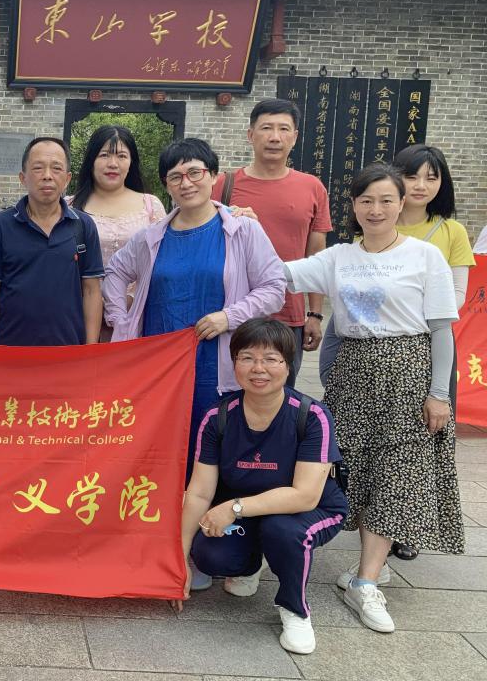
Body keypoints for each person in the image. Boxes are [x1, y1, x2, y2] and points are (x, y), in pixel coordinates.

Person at [285, 164, 462, 634]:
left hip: (410, 370)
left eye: (386, 200)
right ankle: (370, 567)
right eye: (366, 200)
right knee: (356, 468)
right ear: (354, 206)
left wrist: (438, 393)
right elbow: (279, 273)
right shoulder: (339, 257)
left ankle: (365, 582)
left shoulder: (425, 256)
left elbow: (442, 330)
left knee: (396, 472)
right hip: (354, 371)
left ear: (402, 203)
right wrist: (239, 224)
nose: (376, 209)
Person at [317, 144, 475, 561]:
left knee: (410, 449)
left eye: (431, 177)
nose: (421, 185)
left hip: (419, 352)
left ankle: (397, 531)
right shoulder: (363, 236)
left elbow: (453, 301)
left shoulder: (446, 234)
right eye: (412, 175)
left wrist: (407, 314)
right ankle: (374, 534)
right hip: (359, 358)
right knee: (358, 449)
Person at [104, 138, 285, 475]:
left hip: (215, 364)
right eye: (175, 177)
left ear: (213, 175)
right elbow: (115, 271)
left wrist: (229, 317)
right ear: (166, 185)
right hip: (158, 364)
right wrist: (121, 319)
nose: (186, 183)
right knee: (158, 447)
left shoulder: (242, 230)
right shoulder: (151, 237)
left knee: (211, 448)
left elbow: (274, 288)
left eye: (194, 173)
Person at [177, 318, 348, 655]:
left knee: (283, 530)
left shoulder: (312, 415)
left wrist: (234, 508)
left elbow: (305, 495)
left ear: (288, 363)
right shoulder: (218, 417)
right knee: (209, 554)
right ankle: (253, 562)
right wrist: (179, 558)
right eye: (247, 358)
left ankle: (295, 609)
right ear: (234, 363)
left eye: (270, 359)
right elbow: (199, 491)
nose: (258, 368)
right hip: (247, 508)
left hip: (311, 509)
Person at [211, 99, 331, 388]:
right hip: (233, 312)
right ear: (250, 134)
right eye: (266, 128)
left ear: (295, 137)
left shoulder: (312, 187)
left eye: (283, 129)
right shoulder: (224, 185)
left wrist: (314, 314)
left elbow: (316, 257)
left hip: (288, 316)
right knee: (228, 394)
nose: (275, 137)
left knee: (281, 396)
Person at [0, 137, 104, 346]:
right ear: (23, 177)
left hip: (68, 351)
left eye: (56, 168)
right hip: (12, 350)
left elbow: (92, 291)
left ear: (67, 178)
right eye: (38, 168)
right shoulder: (0, 226)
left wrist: (90, 351)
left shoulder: (83, 226)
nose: (47, 176)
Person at [68, 124, 166, 340]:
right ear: (91, 160)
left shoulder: (150, 206)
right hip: (79, 318)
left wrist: (127, 299)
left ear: (131, 162)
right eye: (104, 155)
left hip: (137, 316)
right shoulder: (68, 207)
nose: (113, 163)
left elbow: (162, 260)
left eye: (122, 156)